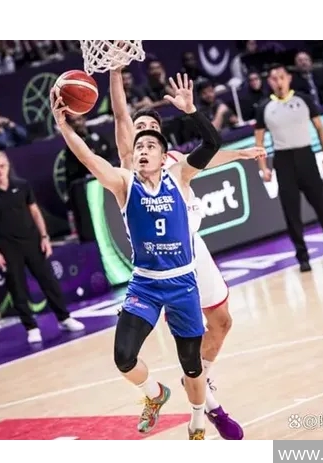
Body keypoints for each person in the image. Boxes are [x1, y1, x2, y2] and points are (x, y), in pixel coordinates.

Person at [51, 74, 223, 440]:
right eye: (139, 145)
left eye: (150, 145)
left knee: (192, 366)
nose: (143, 149)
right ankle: (155, 394)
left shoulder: (180, 175)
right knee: (123, 357)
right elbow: (88, 157)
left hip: (182, 283)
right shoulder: (123, 183)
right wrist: (63, 126)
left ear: (164, 155)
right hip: (145, 285)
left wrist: (192, 111)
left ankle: (197, 419)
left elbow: (212, 142)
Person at [110, 70, 265, 440]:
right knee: (181, 347)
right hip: (163, 263)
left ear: (161, 139)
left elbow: (208, 154)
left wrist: (241, 153)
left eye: (150, 127)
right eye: (138, 128)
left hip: (195, 249)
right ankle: (209, 406)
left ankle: (198, 380)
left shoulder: (175, 161)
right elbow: (119, 115)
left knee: (223, 322)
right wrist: (115, 70)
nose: (142, 132)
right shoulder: (131, 165)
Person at [0, 151, 85, 343]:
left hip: (32, 241)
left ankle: (64, 318)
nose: (0, 170)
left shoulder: (22, 185)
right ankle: (31, 327)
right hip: (8, 247)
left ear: (8, 166)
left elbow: (35, 212)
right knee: (17, 288)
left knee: (48, 281)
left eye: (2, 166)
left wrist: (44, 237)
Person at [255, 64, 323, 272]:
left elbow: (320, 128)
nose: (278, 81)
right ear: (270, 82)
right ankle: (302, 257)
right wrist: (263, 167)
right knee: (291, 213)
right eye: (274, 78)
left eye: (281, 77)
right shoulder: (264, 107)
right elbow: (259, 141)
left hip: (306, 157)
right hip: (283, 161)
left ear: (288, 78)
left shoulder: (304, 100)